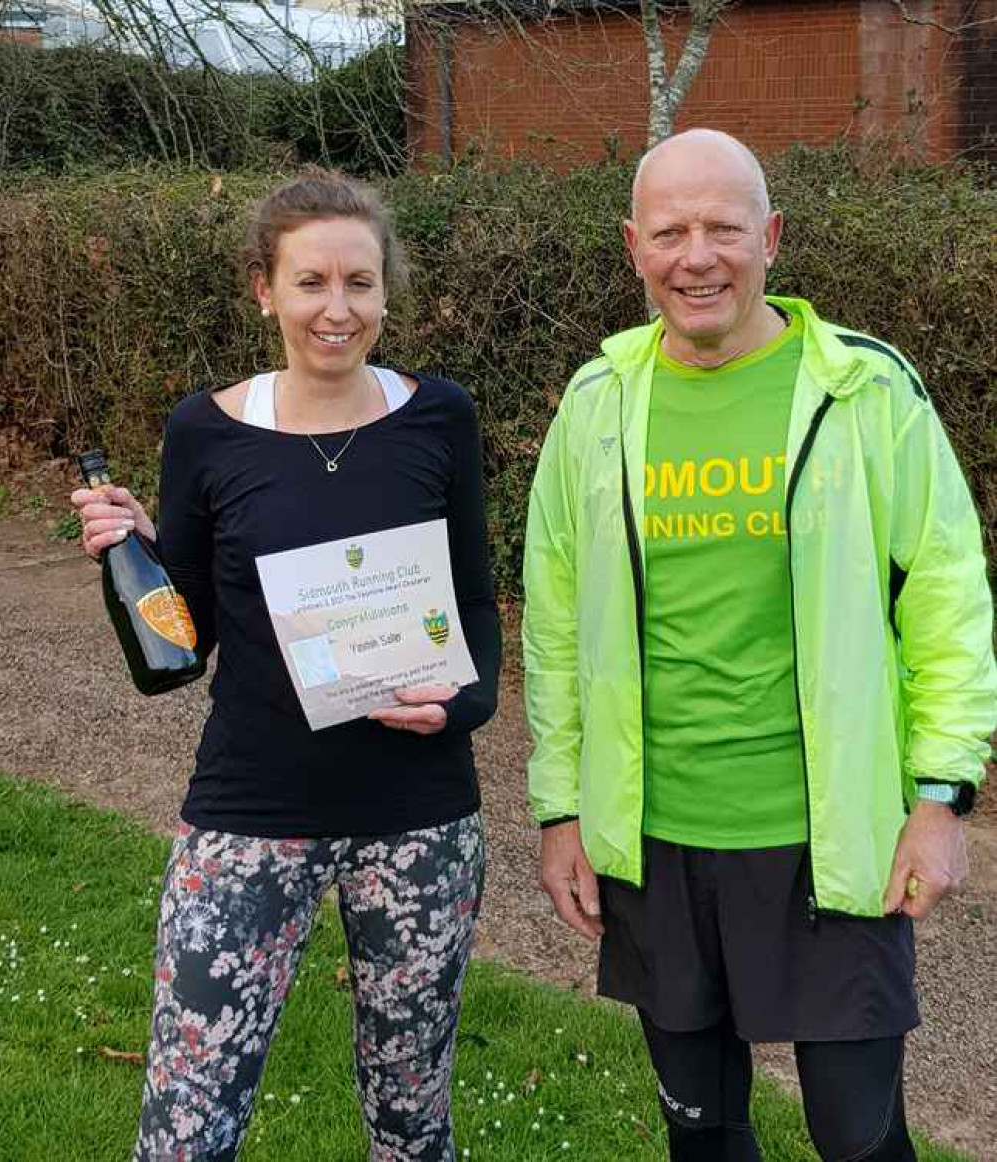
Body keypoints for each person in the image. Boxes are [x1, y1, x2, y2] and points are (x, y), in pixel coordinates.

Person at [523, 129, 995, 1161]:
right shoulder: (597, 405)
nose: (698, 256)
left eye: (724, 228)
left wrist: (940, 797)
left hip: (833, 839)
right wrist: (562, 810)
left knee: (858, 1137)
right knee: (703, 1131)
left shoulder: (865, 390)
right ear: (633, 247)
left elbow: (949, 600)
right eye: (671, 231)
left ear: (771, 237)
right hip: (657, 838)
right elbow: (553, 622)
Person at [71, 170, 501, 1161]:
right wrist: (133, 557)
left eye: (359, 282)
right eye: (310, 283)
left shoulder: (442, 417)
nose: (337, 309)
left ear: (387, 288)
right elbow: (177, 654)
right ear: (265, 290)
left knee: (412, 1115)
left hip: (420, 819)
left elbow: (475, 605)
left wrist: (464, 706)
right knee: (189, 1113)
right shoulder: (206, 429)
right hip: (251, 812)